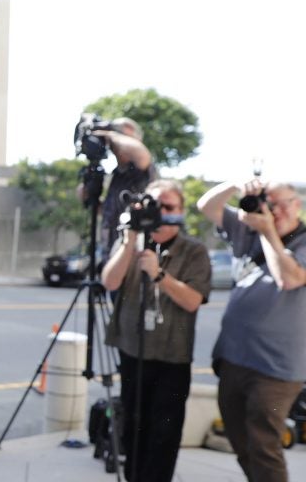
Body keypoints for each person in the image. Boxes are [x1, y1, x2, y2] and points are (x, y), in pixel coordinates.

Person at [101, 178, 211, 482]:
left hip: (172, 357)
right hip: (133, 352)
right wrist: (129, 241)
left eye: (168, 207)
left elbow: (192, 301)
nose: (160, 213)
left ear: (180, 211)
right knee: (133, 427)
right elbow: (109, 282)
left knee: (164, 432)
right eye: (153, 205)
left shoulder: (194, 251)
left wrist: (160, 274)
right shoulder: (131, 242)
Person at [197, 179, 306, 482]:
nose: (274, 211)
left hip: (276, 368)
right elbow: (206, 206)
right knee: (239, 437)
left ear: (297, 205)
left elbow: (290, 278)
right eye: (268, 203)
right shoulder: (250, 230)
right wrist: (236, 184)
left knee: (264, 442)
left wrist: (268, 229)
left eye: (281, 203)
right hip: (235, 358)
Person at [97, 117, 156, 266]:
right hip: (110, 249)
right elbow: (106, 211)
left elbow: (139, 152)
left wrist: (109, 134)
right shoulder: (117, 174)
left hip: (133, 251)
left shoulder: (142, 165)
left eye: (119, 136)